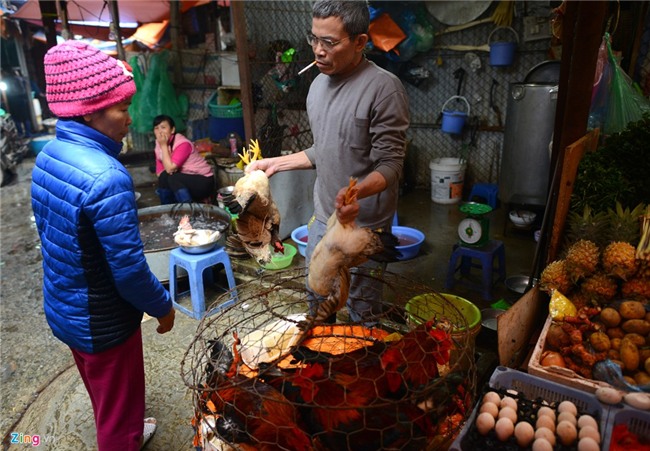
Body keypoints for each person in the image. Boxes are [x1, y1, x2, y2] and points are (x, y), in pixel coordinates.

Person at [31, 41, 175, 450]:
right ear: (89, 111)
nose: (130, 119)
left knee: (106, 396)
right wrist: (162, 306)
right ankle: (122, 437)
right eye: (121, 109)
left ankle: (125, 427)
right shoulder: (106, 177)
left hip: (65, 308)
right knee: (116, 418)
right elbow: (129, 270)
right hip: (103, 320)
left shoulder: (50, 156)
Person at [247, 0, 409, 323]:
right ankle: (320, 364)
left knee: (362, 311)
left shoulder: (384, 90)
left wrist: (355, 194)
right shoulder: (318, 86)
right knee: (318, 302)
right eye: (314, 39)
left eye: (330, 42)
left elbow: (390, 166)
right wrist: (277, 163)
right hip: (323, 218)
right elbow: (326, 150)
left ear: (360, 42)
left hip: (364, 226)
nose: (318, 51)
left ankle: (363, 364)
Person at [153, 114, 215, 204]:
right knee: (164, 177)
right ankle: (166, 209)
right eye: (156, 128)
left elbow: (170, 168)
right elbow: (160, 173)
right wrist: (163, 146)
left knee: (173, 178)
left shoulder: (183, 144)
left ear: (172, 130)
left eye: (163, 127)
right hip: (185, 180)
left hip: (204, 182)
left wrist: (163, 146)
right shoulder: (159, 143)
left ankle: (188, 208)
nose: (160, 132)